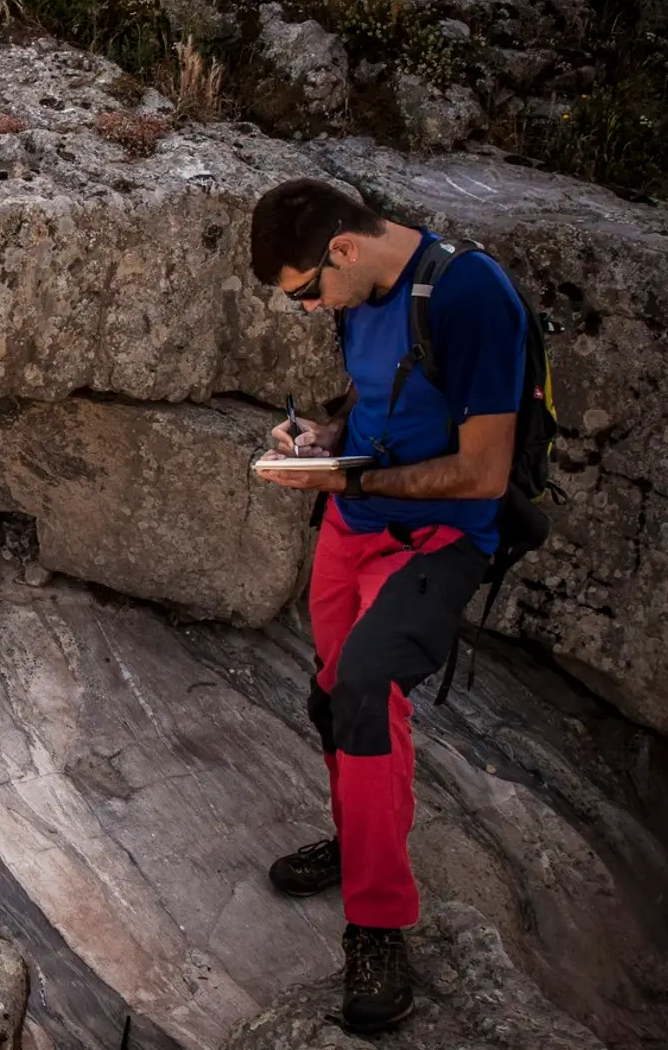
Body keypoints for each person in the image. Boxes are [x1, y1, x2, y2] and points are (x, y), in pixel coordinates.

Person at [248, 177, 527, 1032]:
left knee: (369, 685)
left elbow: (486, 470)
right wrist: (320, 443)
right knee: (333, 694)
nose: (307, 310)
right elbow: (380, 406)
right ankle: (359, 836)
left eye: (305, 293)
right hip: (353, 524)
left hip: (440, 540)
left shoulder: (472, 295)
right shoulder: (357, 296)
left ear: (343, 249)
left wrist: (355, 475)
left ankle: (378, 923)